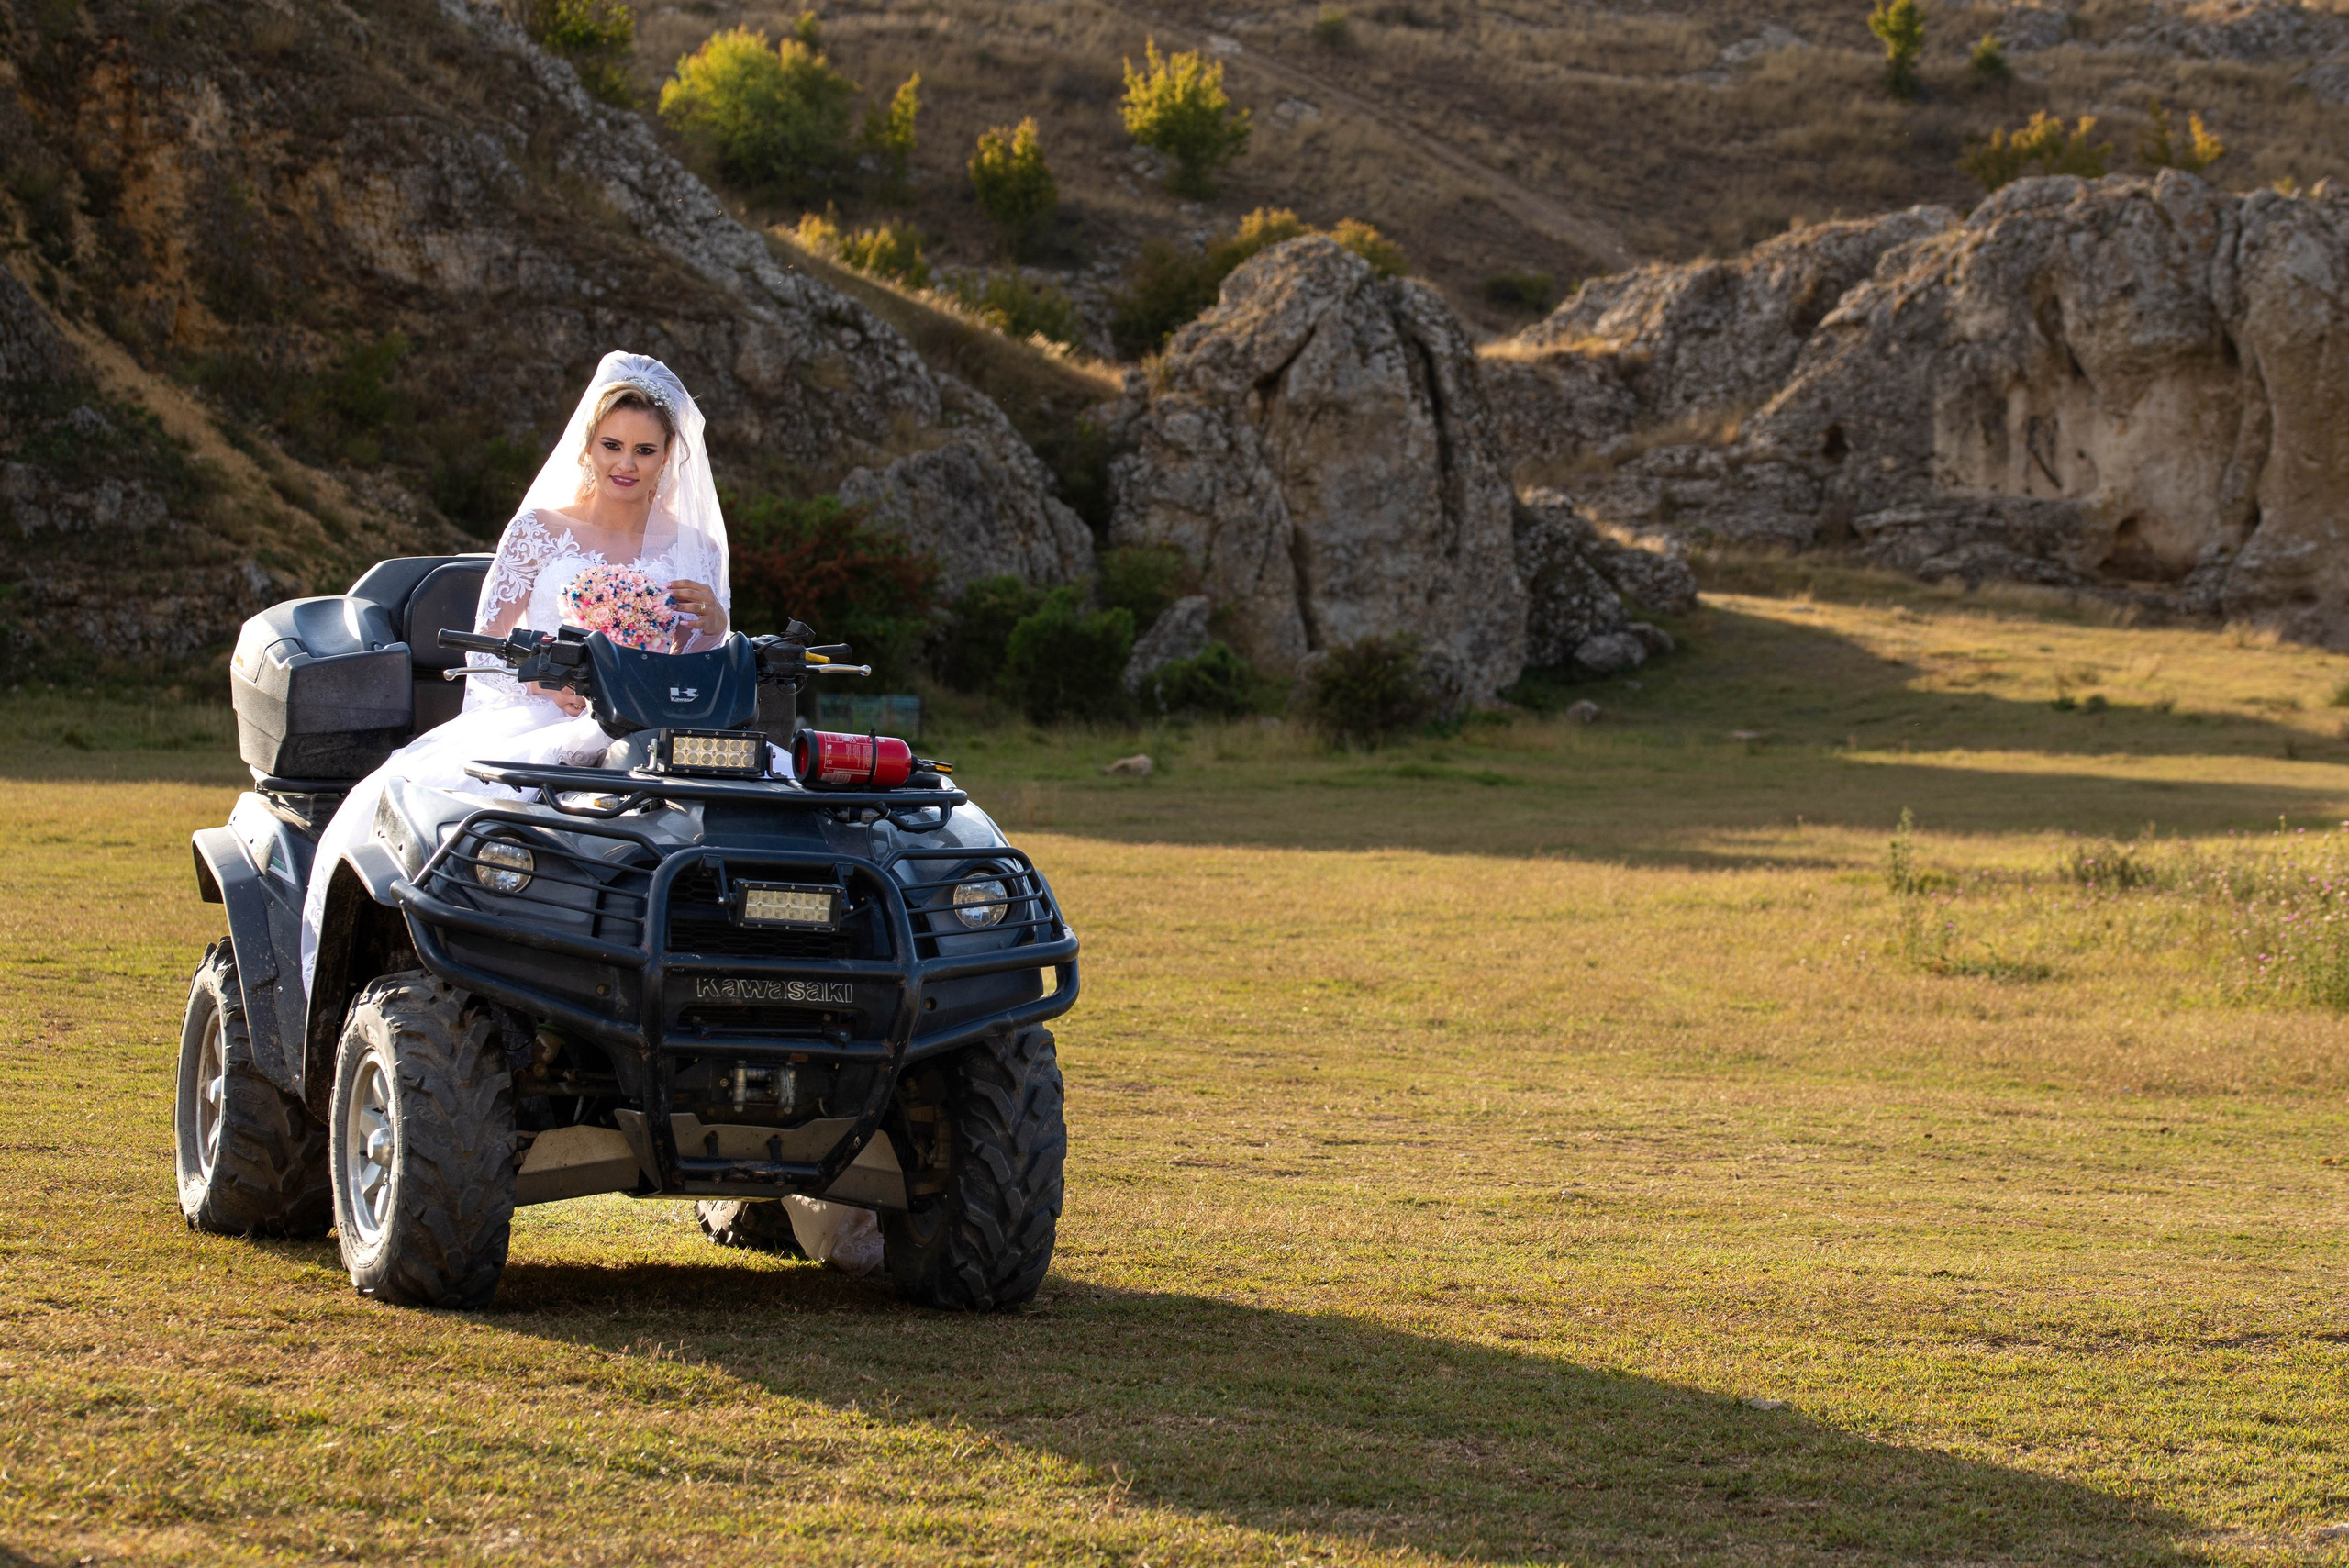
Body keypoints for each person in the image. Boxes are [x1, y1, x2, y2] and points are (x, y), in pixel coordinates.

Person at [297, 351, 738, 997]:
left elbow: (697, 663)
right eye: (612, 445)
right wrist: (543, 682)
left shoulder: (696, 547)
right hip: (542, 715)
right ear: (587, 445)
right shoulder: (538, 533)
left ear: (668, 455)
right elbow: (488, 651)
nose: (626, 463)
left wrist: (715, 623)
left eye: (645, 450)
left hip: (650, 725)